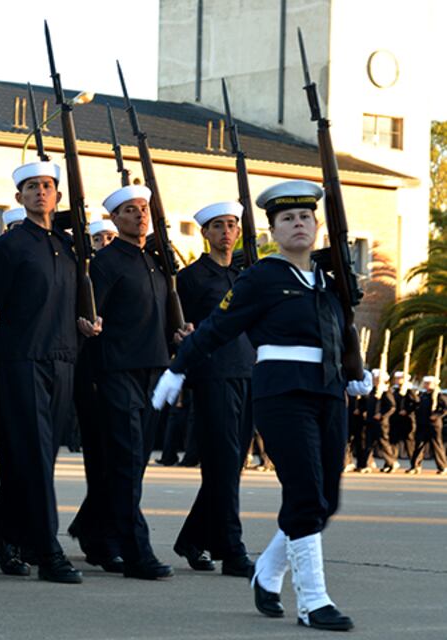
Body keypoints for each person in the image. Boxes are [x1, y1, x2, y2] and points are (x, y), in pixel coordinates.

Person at [153, 180, 372, 631]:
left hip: (328, 393)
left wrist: (354, 372)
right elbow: (216, 327)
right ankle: (312, 600)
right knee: (306, 494)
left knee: (325, 500)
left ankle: (267, 572)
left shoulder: (328, 282)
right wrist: (178, 368)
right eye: (287, 219)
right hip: (282, 393)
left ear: (316, 226)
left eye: (305, 217)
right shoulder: (262, 276)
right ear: (273, 229)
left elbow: (340, 333)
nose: (298, 224)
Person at [0, 160, 96, 584]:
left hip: (62, 359)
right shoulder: (10, 247)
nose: (40, 192)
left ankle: (2, 533)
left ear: (58, 197)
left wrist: (87, 324)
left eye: (47, 186)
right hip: (21, 359)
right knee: (31, 453)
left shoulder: (68, 247)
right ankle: (47, 550)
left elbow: (76, 302)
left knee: (38, 459)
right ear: (19, 198)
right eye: (31, 187)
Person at [69, 184, 174, 580]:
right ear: (115, 219)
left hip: (153, 371)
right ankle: (135, 551)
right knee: (127, 461)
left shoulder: (156, 262)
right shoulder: (106, 263)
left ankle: (92, 530)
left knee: (132, 465)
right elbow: (90, 322)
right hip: (116, 372)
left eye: (143, 209)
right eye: (129, 210)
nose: (139, 215)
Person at [170, 201, 255, 578]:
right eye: (217, 226)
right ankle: (231, 549)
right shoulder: (191, 279)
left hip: (248, 374)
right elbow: (178, 327)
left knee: (231, 465)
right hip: (212, 375)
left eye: (231, 225)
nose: (225, 232)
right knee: (221, 462)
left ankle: (192, 537)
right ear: (205, 233)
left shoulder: (246, 275)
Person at [407, 376, 446, 474]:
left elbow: (445, 409)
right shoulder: (422, 395)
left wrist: (436, 415)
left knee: (437, 445)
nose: (426, 385)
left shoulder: (438, 396)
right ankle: (415, 466)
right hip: (422, 424)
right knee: (419, 445)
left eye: (428, 383)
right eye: (425, 383)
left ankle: (442, 467)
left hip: (434, 425)